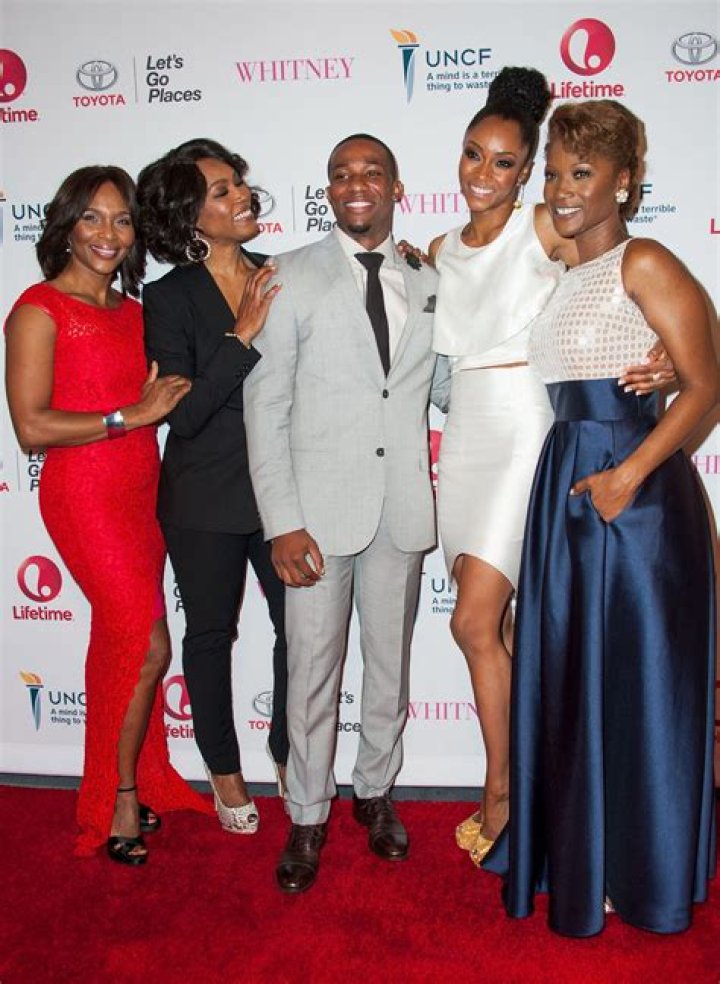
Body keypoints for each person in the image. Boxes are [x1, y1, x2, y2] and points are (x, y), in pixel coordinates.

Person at [484, 99, 717, 936]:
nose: (562, 188)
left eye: (582, 173)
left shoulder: (642, 260)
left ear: (625, 181)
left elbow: (707, 385)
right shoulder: (564, 271)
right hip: (570, 492)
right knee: (578, 680)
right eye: (554, 173)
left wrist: (628, 476)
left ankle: (641, 868)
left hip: (637, 503)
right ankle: (585, 854)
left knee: (639, 684)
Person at [428, 67, 671, 865]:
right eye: (474, 154)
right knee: (498, 626)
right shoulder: (437, 250)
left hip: (525, 426)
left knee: (472, 622)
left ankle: (503, 792)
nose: (484, 173)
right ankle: (537, 786)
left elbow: (623, 271)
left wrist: (669, 353)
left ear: (526, 171)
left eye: (504, 162)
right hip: (465, 431)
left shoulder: (547, 226)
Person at [244, 133, 450, 893]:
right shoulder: (287, 274)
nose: (354, 184)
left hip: (402, 509)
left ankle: (375, 792)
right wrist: (281, 521)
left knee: (389, 667)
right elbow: (266, 406)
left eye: (371, 173)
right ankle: (306, 812)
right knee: (311, 673)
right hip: (315, 519)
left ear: (397, 188)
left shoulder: (428, 280)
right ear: (327, 191)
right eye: (340, 174)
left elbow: (447, 386)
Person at [4, 166, 212, 864]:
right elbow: (31, 427)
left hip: (141, 492)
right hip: (84, 495)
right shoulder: (39, 309)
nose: (108, 233)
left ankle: (143, 777)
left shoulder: (134, 312)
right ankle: (114, 795)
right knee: (146, 646)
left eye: (121, 219)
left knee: (128, 646)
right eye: (91, 217)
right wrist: (131, 416)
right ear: (65, 226)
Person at [137, 138, 287, 834]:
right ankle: (224, 771)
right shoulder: (168, 297)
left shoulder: (279, 273)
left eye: (239, 183)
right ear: (190, 217)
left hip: (283, 491)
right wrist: (242, 335)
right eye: (221, 191)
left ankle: (288, 752)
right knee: (210, 634)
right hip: (202, 495)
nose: (241, 196)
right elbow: (186, 415)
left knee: (301, 630)